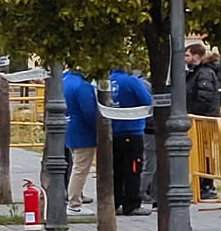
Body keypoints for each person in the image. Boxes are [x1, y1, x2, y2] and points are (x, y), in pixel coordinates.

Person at [106, 69, 154, 215]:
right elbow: (147, 101)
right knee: (133, 168)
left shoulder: (106, 81)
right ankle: (132, 205)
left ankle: (115, 202)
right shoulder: (132, 81)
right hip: (132, 130)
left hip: (112, 131)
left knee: (116, 169)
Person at [184, 42, 221, 200]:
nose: (184, 59)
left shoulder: (204, 73)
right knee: (199, 153)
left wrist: (192, 112)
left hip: (203, 119)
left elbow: (205, 97)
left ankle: (206, 185)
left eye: (187, 55)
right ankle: (201, 184)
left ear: (196, 56)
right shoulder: (196, 72)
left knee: (204, 153)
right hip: (201, 118)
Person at [62, 69, 97, 211]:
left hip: (69, 127)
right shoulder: (82, 86)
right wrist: (98, 129)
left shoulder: (63, 81)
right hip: (83, 131)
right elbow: (89, 112)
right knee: (80, 168)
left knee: (76, 165)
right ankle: (74, 202)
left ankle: (76, 196)